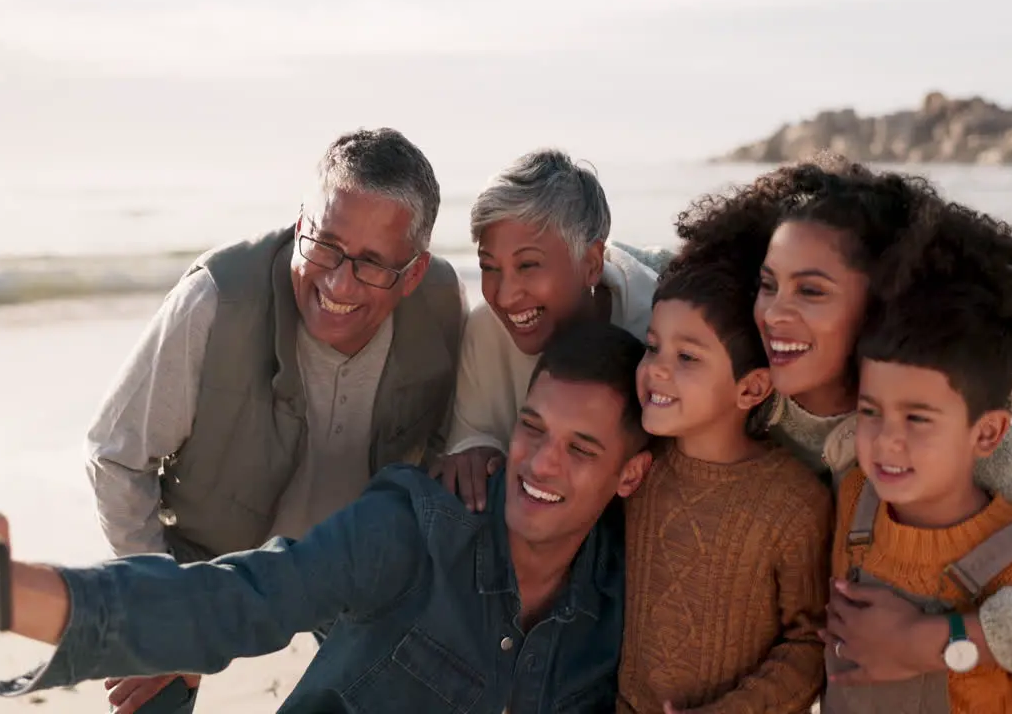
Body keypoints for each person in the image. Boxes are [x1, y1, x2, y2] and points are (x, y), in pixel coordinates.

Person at [0, 321, 654, 714]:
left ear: (631, 474)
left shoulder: (623, 604)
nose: (539, 463)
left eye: (580, 448)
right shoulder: (414, 531)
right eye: (532, 428)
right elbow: (231, 601)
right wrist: (3, 593)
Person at [674, 156, 1012, 687]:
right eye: (769, 285)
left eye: (811, 291)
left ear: (881, 304)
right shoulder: (735, 388)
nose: (774, 312)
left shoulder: (941, 435)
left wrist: (937, 642)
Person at [84, 127, 465, 712]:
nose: (337, 283)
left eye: (370, 264)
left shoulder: (440, 305)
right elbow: (115, 455)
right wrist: (166, 609)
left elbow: (447, 447)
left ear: (412, 273)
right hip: (203, 560)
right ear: (299, 224)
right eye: (325, 245)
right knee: (152, 683)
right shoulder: (215, 299)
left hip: (350, 568)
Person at [823, 199, 1012, 712]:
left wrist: (949, 650)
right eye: (871, 411)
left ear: (987, 433)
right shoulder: (857, 497)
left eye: (918, 418)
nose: (887, 440)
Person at [617, 238, 831, 712]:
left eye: (687, 357)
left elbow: (811, 643)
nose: (657, 370)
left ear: (752, 387)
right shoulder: (636, 473)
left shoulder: (795, 503)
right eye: (652, 348)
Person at [432, 148, 672, 512]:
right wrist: (472, 453)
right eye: (489, 266)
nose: (506, 295)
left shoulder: (655, 330)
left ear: (592, 263)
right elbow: (471, 440)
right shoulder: (486, 329)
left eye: (528, 265)